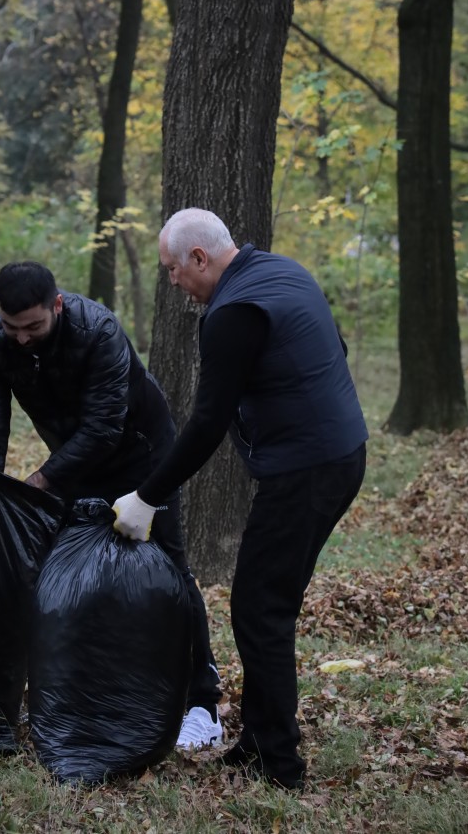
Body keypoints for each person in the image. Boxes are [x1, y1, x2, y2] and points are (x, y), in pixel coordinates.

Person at [112, 208, 368, 790]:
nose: (173, 282)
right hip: (341, 454)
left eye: (174, 270)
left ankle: (278, 764)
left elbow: (206, 423)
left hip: (306, 471)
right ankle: (257, 740)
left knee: (261, 611)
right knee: (264, 604)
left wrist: (147, 498)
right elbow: (339, 345)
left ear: (200, 258)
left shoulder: (231, 314)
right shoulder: (283, 272)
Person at [0, 260, 223, 749]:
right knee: (62, 570)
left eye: (33, 327)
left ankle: (202, 704)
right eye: (10, 326)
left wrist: (41, 479)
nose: (21, 338)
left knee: (169, 568)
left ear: (57, 306)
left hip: (142, 456)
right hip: (72, 460)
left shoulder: (98, 330)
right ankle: (88, 685)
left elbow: (105, 427)